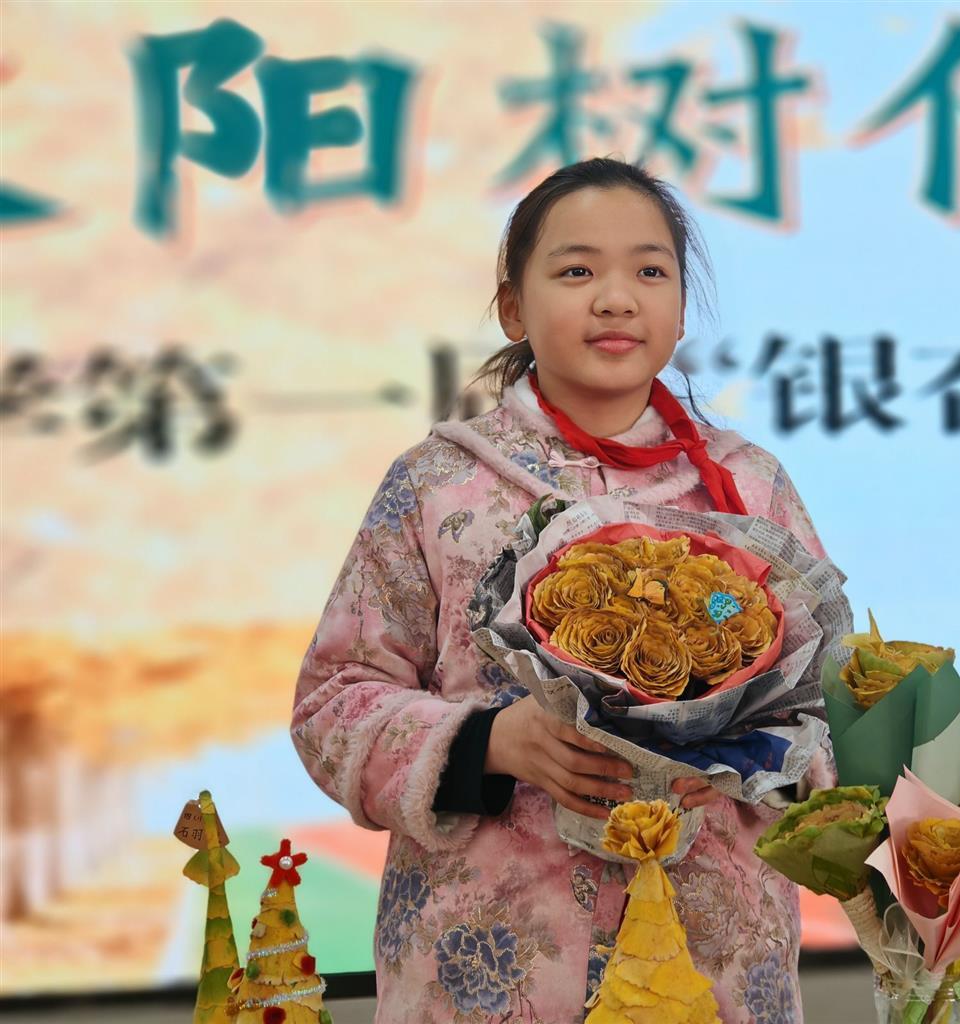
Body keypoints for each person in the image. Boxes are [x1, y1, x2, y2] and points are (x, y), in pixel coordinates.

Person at [291, 156, 843, 1024]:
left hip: (715, 967)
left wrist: (745, 762)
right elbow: (333, 704)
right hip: (486, 968)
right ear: (513, 307)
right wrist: (491, 743)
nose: (617, 299)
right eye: (577, 271)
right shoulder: (440, 485)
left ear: (679, 310)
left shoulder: (749, 487)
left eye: (650, 272)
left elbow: (830, 709)